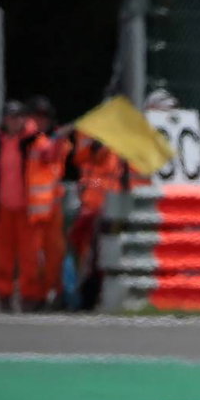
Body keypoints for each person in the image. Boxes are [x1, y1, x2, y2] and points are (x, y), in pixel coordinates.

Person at [0, 100, 45, 312]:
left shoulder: (37, 142)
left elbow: (53, 161)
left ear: (24, 119)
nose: (13, 121)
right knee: (3, 260)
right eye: (9, 117)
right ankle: (4, 297)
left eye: (17, 117)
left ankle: (29, 298)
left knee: (30, 259)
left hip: (28, 209)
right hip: (3, 208)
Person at [69, 132, 127, 310]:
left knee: (100, 257)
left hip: (107, 212)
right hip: (90, 210)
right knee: (85, 256)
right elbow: (87, 180)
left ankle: (95, 295)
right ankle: (82, 296)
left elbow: (105, 183)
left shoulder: (115, 155)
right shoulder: (87, 151)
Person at [27, 96, 74, 309]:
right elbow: (45, 151)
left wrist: (60, 137)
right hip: (32, 210)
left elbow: (62, 155)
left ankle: (54, 294)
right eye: (36, 117)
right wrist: (58, 136)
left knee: (55, 255)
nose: (40, 121)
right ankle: (35, 296)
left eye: (43, 118)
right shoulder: (28, 140)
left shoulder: (57, 142)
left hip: (52, 208)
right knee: (34, 258)